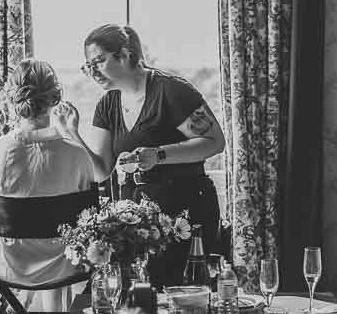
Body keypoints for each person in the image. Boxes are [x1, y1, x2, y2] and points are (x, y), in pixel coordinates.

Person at [51, 23, 225, 287]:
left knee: (185, 294)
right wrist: (72, 133)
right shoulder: (108, 104)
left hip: (187, 211)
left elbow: (214, 142)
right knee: (142, 296)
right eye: (88, 66)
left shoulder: (171, 91)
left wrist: (159, 154)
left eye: (98, 61)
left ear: (125, 54)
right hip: (139, 221)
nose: (93, 72)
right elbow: (101, 170)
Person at [0, 58, 95, 314]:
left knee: (45, 243)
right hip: (64, 263)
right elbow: (87, 217)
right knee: (62, 245)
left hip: (10, 262)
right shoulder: (77, 155)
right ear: (55, 98)